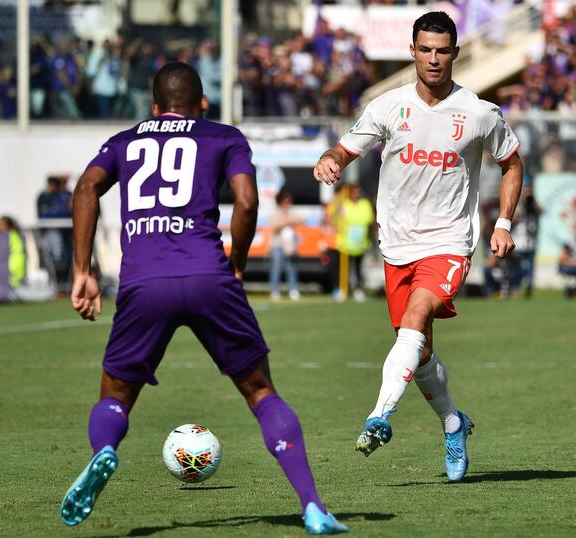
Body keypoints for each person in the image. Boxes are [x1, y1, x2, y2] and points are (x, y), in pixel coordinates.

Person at [61, 62, 347, 535]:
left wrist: (82, 269)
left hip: (143, 282)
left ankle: (105, 451)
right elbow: (248, 201)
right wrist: (236, 262)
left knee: (115, 395)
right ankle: (313, 507)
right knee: (260, 392)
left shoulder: (125, 140)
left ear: (154, 108)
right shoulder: (222, 136)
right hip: (208, 276)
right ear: (202, 105)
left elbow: (87, 187)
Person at [313, 11, 523, 482]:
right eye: (425, 49)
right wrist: (329, 161)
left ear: (455, 53)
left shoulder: (479, 113)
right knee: (419, 350)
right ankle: (453, 422)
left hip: (449, 241)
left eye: (442, 50)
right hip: (396, 245)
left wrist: (504, 222)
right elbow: (345, 150)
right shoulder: (388, 106)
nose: (433, 58)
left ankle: (378, 416)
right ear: (412, 51)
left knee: (416, 315)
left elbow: (512, 164)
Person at [332, 183, 374, 302]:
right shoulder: (344, 205)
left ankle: (358, 289)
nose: (356, 194)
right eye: (354, 192)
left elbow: (369, 219)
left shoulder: (364, 204)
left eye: (358, 192)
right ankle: (342, 290)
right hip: (346, 243)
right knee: (344, 269)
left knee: (358, 268)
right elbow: (336, 218)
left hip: (360, 243)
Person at [269, 188, 303, 301]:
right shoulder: (275, 214)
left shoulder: (290, 213)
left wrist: (291, 221)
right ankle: (275, 291)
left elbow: (301, 220)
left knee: (291, 268)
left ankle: (293, 290)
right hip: (277, 245)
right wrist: (285, 223)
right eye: (286, 201)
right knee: (276, 268)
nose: (288, 203)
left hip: (289, 246)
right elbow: (274, 228)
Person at [0, 215, 26, 289]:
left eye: (1, 224)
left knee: (11, 289)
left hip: (13, 263)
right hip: (18, 261)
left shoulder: (8, 235)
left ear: (6, 225)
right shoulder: (15, 234)